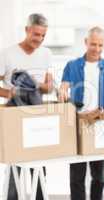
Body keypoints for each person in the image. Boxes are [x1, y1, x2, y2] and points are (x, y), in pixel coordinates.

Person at [59, 26, 104, 200]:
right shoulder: (72, 66)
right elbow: (63, 87)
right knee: (76, 175)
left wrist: (103, 113)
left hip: (100, 125)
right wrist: (62, 90)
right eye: (93, 44)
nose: (97, 49)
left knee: (98, 176)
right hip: (77, 124)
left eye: (101, 45)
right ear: (86, 42)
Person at [0, 13, 54, 200]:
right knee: (15, 161)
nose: (39, 39)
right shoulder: (7, 53)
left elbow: (49, 87)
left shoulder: (46, 54)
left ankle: (40, 197)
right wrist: (10, 93)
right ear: (26, 30)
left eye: (43, 36)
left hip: (36, 111)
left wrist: (34, 84)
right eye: (36, 34)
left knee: (39, 160)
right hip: (14, 110)